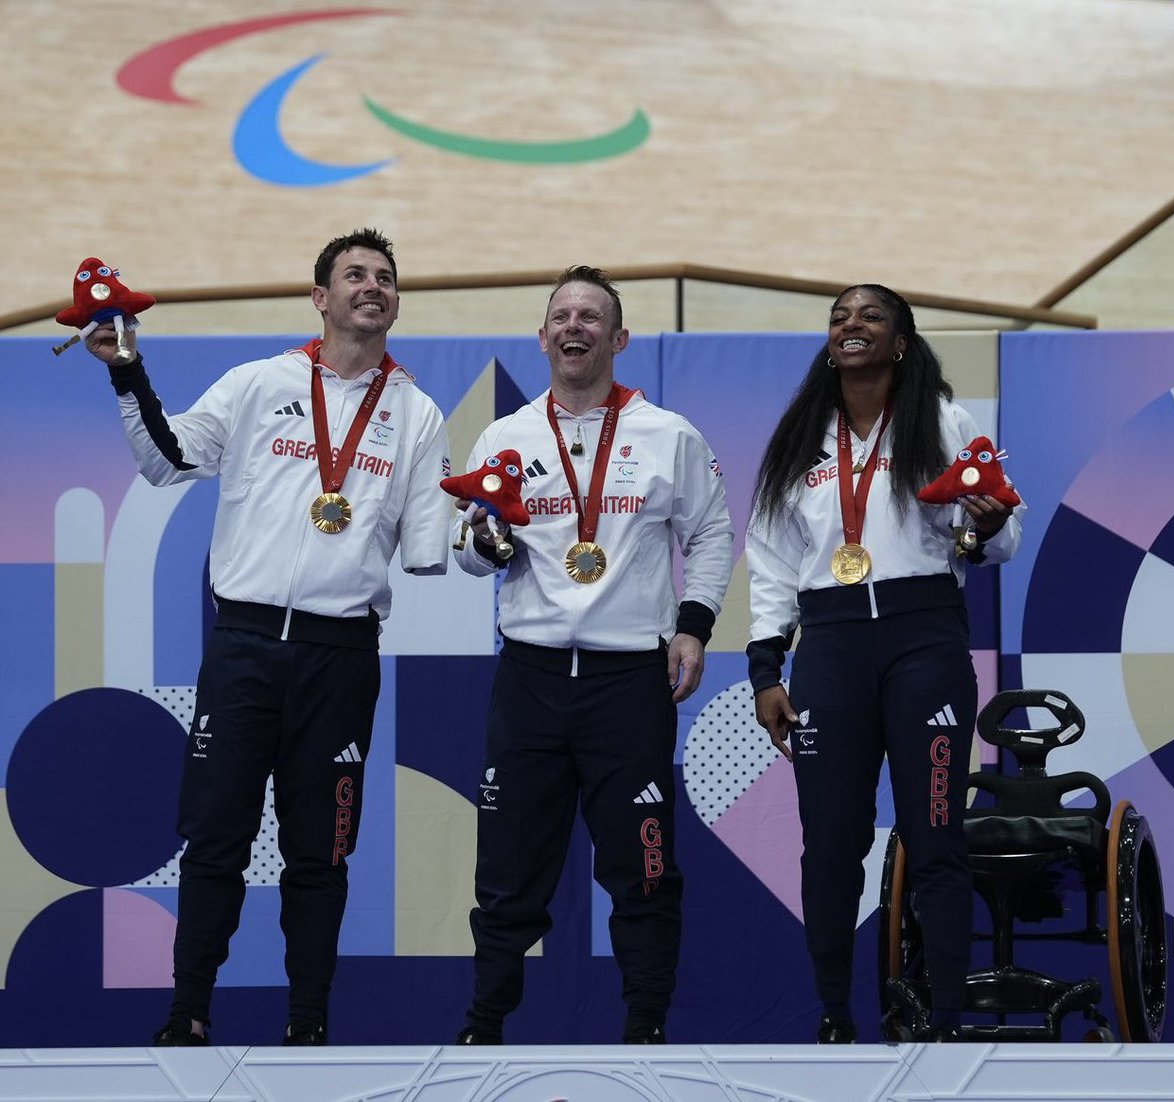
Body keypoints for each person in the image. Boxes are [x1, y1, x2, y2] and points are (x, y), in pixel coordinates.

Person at [84, 228, 450, 1046]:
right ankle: (187, 1011)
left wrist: (489, 533)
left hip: (341, 654)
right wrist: (126, 370)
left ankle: (309, 1021)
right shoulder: (259, 384)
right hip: (245, 645)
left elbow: (431, 553)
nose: (372, 286)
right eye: (354, 275)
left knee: (320, 852)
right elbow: (167, 459)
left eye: (385, 277)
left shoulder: (417, 413)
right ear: (319, 297)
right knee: (216, 836)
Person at [451, 265, 734, 1044]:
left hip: (626, 684)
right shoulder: (504, 437)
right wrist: (480, 539)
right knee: (508, 869)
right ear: (543, 338)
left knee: (643, 869)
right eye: (562, 317)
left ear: (619, 339)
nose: (575, 328)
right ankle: (483, 1029)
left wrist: (694, 625)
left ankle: (645, 1027)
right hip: (531, 680)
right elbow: (470, 554)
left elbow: (711, 534)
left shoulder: (669, 435)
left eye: (591, 317)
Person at [745, 284, 1024, 1043]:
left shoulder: (942, 421)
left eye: (870, 316)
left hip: (922, 639)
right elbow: (771, 562)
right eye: (839, 317)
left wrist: (985, 530)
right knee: (830, 840)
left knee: (935, 831)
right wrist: (767, 669)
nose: (851, 325)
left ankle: (947, 1016)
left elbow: (996, 537)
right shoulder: (802, 437)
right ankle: (835, 1013)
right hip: (830, 649)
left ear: (901, 341)